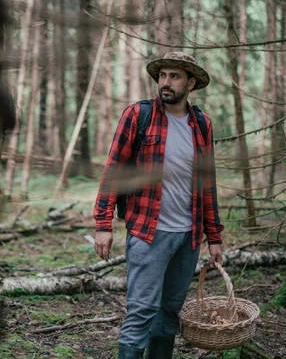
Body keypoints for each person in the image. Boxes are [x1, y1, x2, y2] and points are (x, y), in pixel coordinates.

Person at [93, 52, 225, 359]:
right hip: (147, 233)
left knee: (168, 314)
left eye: (174, 76)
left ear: (191, 83)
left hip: (188, 237)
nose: (165, 83)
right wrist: (103, 224)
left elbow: (207, 185)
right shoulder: (138, 116)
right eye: (162, 75)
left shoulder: (202, 125)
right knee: (141, 312)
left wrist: (214, 236)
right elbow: (114, 169)